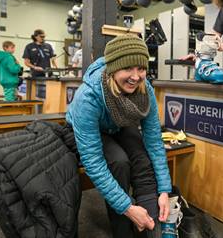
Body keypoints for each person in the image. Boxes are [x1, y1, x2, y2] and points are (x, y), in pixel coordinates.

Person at [65, 35, 171, 238]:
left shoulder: (144, 89)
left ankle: (152, 226)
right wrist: (129, 208)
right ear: (113, 69)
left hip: (118, 124)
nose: (136, 76)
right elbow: (93, 161)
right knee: (119, 162)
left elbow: (154, 141)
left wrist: (164, 191)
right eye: (127, 69)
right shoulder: (87, 97)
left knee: (142, 160)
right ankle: (123, 230)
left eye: (141, 68)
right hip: (90, 129)